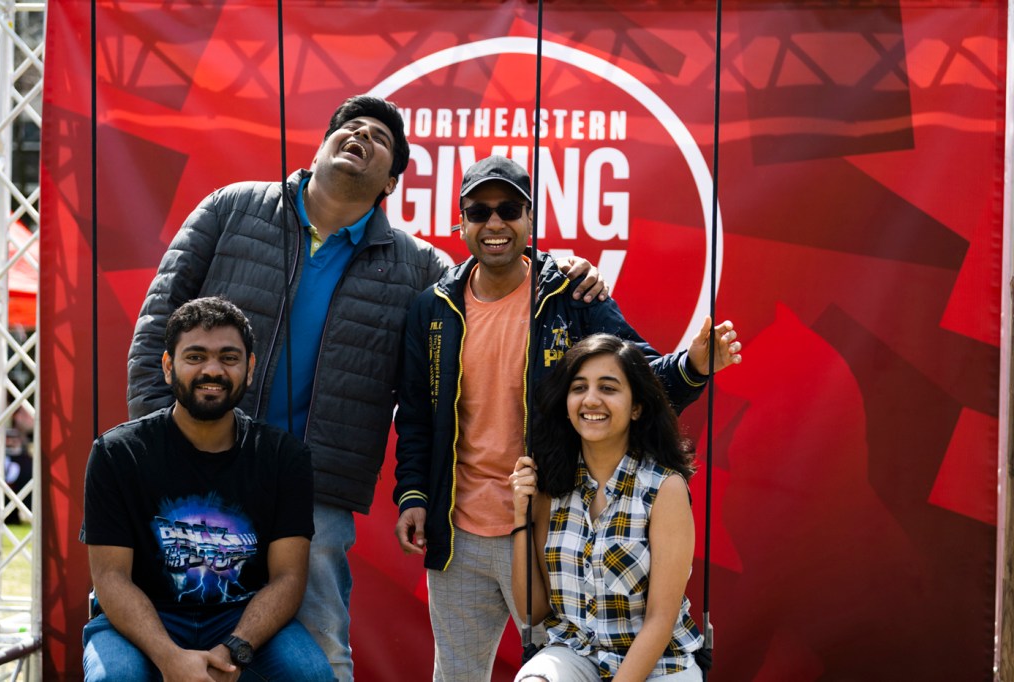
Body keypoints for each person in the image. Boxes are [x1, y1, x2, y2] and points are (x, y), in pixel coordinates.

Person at [126, 96, 607, 681]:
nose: (360, 135)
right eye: (348, 127)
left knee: (320, 654)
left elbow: (496, 284)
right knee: (170, 639)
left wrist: (568, 271)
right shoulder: (231, 208)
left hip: (316, 488)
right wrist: (161, 445)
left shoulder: (419, 269)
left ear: (392, 183)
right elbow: (158, 323)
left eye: (379, 138)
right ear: (322, 146)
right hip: (197, 462)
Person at [393, 155, 740, 681]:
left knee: (558, 668)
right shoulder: (433, 308)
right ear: (460, 222)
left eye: (508, 209)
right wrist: (414, 494)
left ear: (530, 219)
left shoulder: (570, 293)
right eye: (479, 211)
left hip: (548, 527)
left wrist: (693, 366)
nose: (494, 224)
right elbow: (416, 414)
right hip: (456, 534)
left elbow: (639, 378)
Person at [83, 297, 333, 681]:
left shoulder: (285, 457)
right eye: (195, 356)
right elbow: (111, 578)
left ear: (249, 369)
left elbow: (288, 578)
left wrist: (235, 648)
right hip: (142, 615)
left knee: (310, 674)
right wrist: (170, 658)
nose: (212, 370)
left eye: (229, 358)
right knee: (114, 678)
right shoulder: (117, 454)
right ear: (169, 367)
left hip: (242, 615)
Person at [510, 334, 704, 681]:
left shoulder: (665, 488)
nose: (591, 400)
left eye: (608, 388)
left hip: (659, 664)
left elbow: (660, 620)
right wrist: (519, 517)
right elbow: (533, 611)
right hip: (576, 654)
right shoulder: (550, 486)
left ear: (636, 407)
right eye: (579, 387)